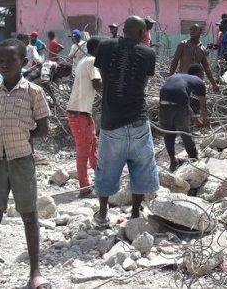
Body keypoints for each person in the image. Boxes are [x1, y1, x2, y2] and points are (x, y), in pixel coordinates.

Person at [0, 38, 51, 289]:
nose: (4, 65)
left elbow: (43, 129)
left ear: (24, 62)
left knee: (29, 215)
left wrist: (23, 134)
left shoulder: (33, 92)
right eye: (0, 60)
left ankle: (35, 274)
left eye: (11, 60)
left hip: (21, 161)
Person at [93, 15, 158, 224]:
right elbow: (142, 84)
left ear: (123, 29)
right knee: (141, 168)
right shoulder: (148, 53)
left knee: (106, 168)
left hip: (111, 121)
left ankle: (102, 213)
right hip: (138, 120)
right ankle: (135, 213)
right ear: (142, 32)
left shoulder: (104, 46)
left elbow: (104, 77)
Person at [66, 37, 103, 198]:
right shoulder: (92, 61)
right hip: (79, 112)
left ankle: (101, 179)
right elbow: (97, 84)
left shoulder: (83, 61)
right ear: (97, 49)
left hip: (82, 112)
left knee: (93, 145)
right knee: (83, 151)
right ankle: (84, 187)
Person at [159, 63, 210, 172]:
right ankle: (194, 159)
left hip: (163, 101)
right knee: (185, 131)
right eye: (203, 74)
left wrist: (195, 118)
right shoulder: (199, 81)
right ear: (200, 74)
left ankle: (173, 161)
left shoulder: (177, 77)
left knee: (169, 133)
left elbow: (185, 104)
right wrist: (206, 120)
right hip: (179, 102)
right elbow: (203, 105)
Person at [170, 24, 220, 92]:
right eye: (191, 29)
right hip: (183, 79)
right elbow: (175, 61)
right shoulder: (183, 44)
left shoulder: (202, 49)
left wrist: (214, 84)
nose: (192, 31)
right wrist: (170, 77)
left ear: (200, 32)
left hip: (196, 81)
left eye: (195, 29)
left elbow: (207, 68)